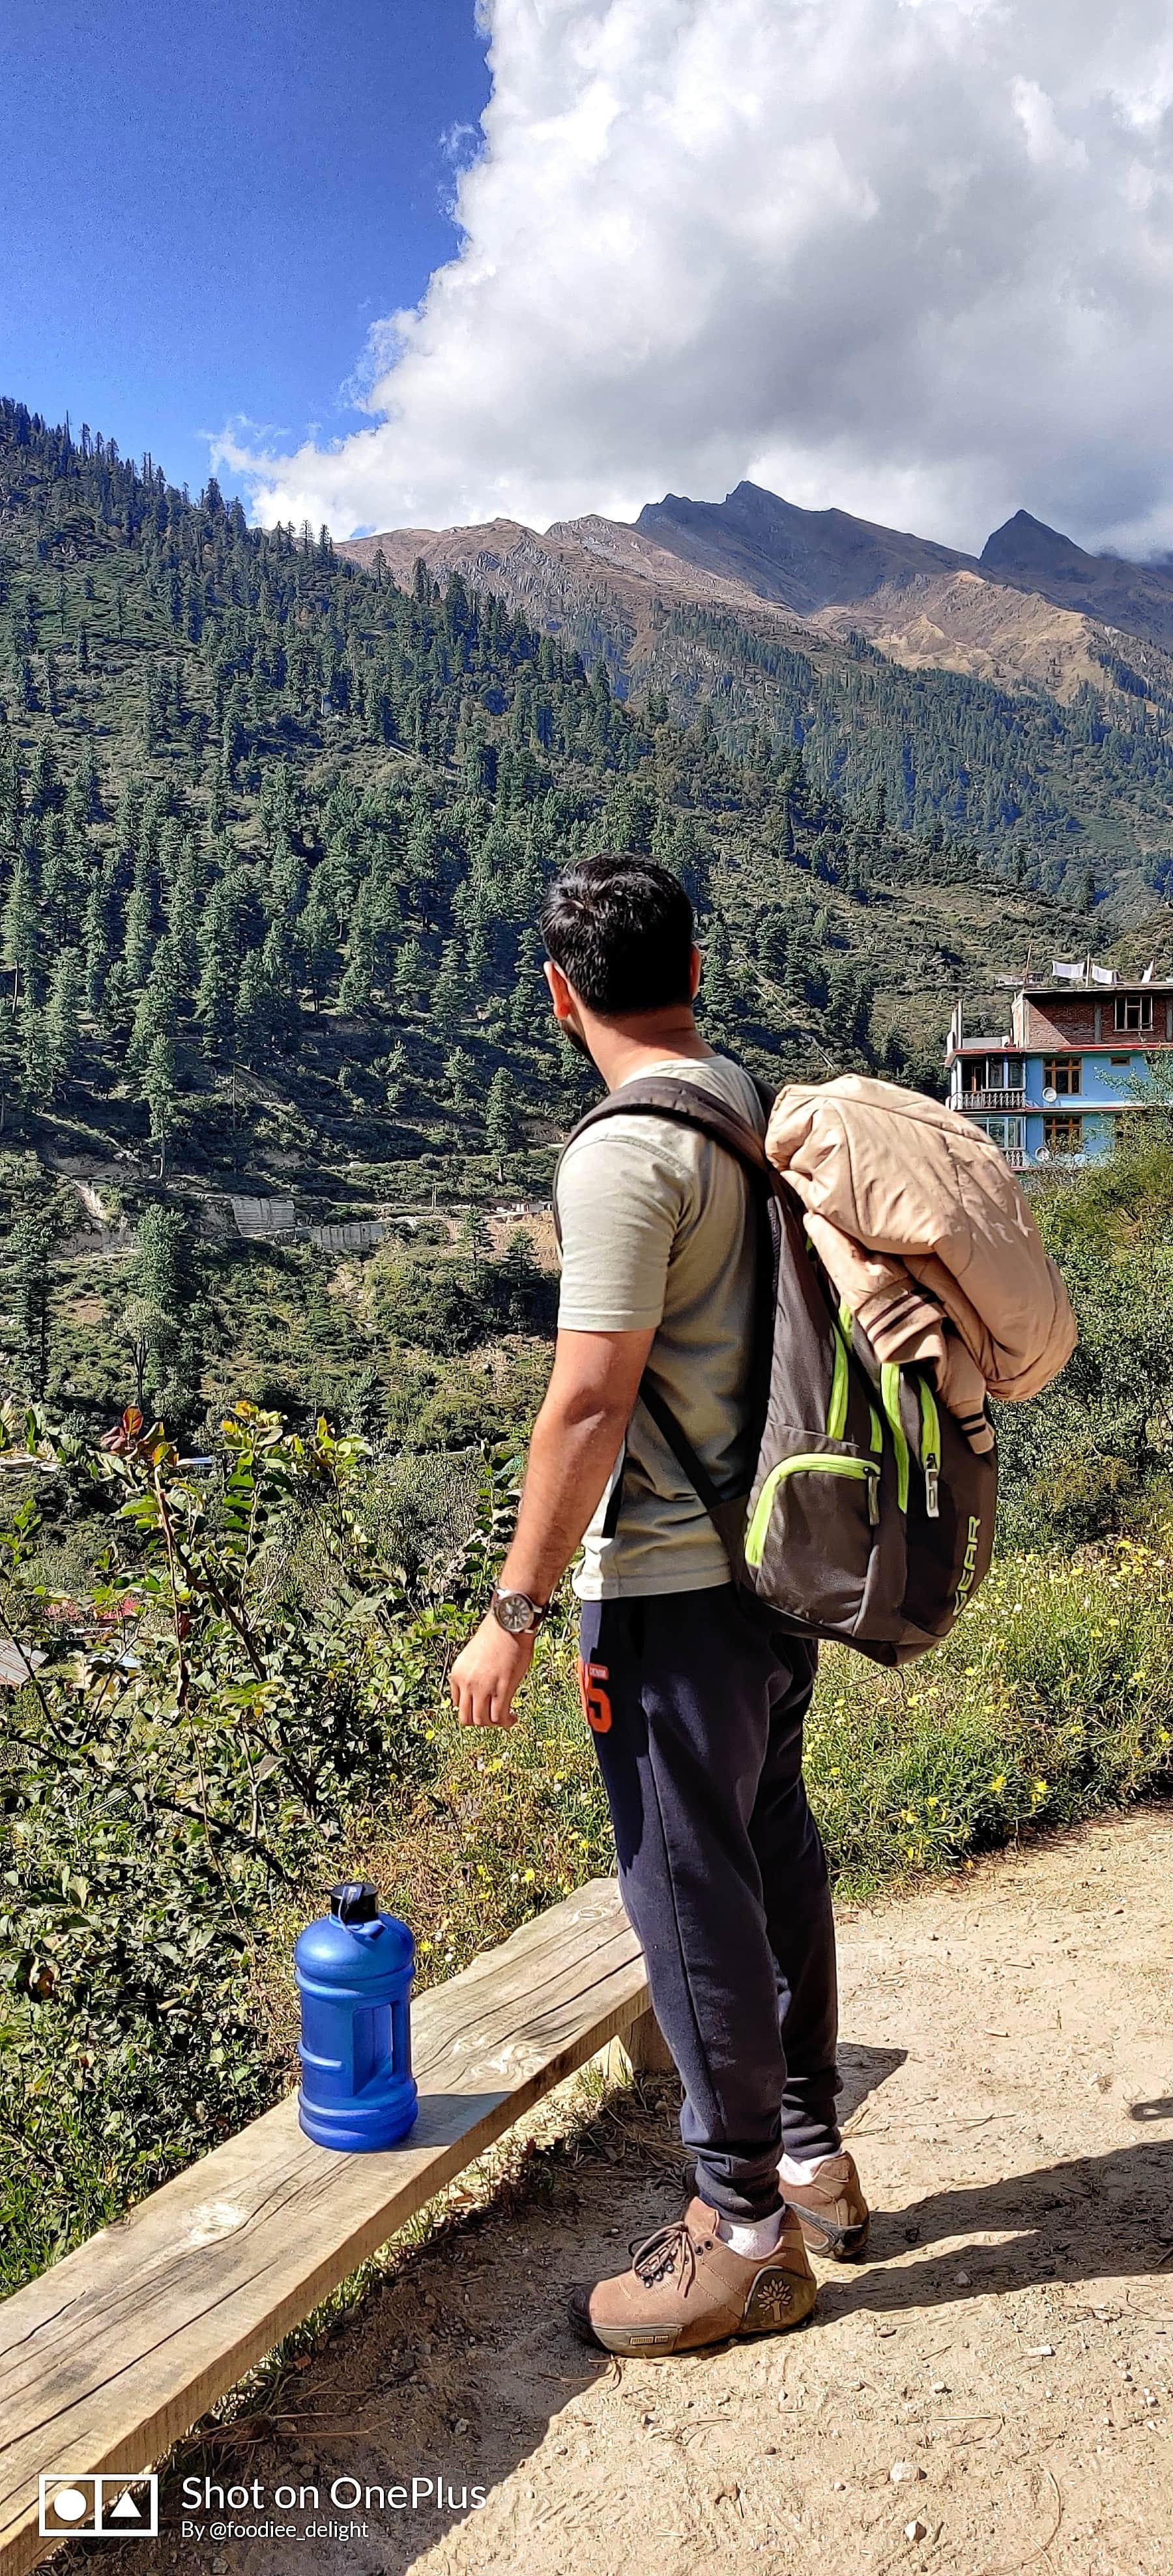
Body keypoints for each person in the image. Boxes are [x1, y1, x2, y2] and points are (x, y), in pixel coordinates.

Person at [448, 855, 867, 2356]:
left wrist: (513, 1606)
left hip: (673, 1591)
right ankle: (813, 2155)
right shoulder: (736, 1091)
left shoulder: (621, 1156)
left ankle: (740, 2233)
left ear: (560, 992)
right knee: (774, 1846)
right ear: (698, 960)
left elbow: (585, 1400)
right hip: (773, 1563)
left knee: (687, 1894)